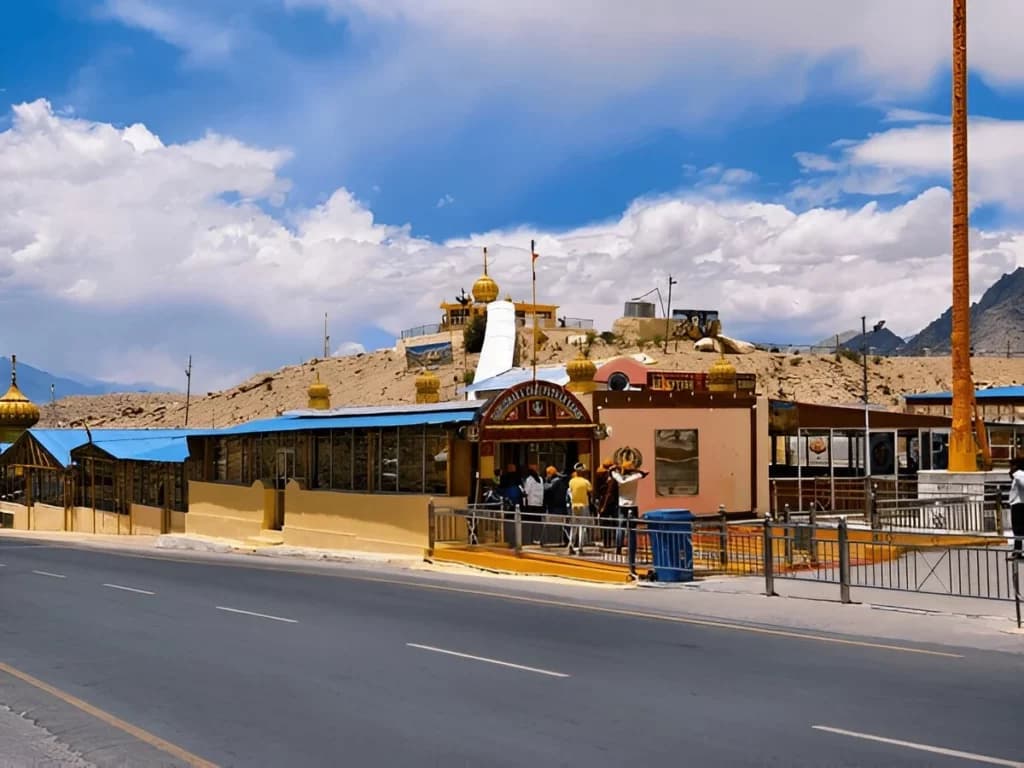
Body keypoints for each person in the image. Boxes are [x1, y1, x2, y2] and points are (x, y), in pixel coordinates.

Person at [611, 459, 650, 577]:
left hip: (622, 506)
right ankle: (632, 551)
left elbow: (613, 473)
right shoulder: (635, 477)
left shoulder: (619, 477)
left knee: (620, 527)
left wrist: (615, 469)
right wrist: (638, 471)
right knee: (632, 531)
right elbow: (644, 473)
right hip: (632, 506)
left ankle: (619, 547)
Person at [567, 462, 593, 555]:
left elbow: (570, 490)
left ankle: (571, 544)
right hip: (583, 505)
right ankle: (580, 547)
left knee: (573, 526)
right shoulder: (585, 482)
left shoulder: (571, 481)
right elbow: (590, 490)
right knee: (582, 526)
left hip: (574, 505)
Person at [542, 466, 569, 546]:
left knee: (557, 524)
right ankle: (566, 540)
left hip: (555, 506)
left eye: (547, 474)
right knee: (564, 524)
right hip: (562, 506)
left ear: (550, 474)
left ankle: (552, 540)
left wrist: (546, 482)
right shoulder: (562, 482)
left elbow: (547, 489)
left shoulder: (554, 482)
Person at [523, 465, 545, 545]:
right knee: (538, 522)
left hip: (531, 503)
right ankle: (537, 538)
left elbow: (526, 491)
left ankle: (530, 538)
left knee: (530, 522)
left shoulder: (529, 479)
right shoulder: (540, 479)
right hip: (539, 503)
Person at [1009, 458, 1024, 559]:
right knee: (1018, 530)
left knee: (1018, 529)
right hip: (1018, 504)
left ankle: (1017, 551)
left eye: (1011, 466)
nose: (1010, 468)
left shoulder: (1019, 474)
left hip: (1019, 505)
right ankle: (1017, 551)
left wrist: (1013, 474)